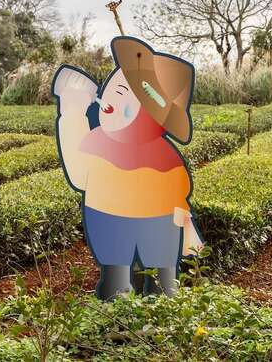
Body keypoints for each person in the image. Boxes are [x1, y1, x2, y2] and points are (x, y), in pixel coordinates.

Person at [51, 35, 203, 299]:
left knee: (162, 282)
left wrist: (186, 228)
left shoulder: (165, 158)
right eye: (114, 88)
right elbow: (79, 174)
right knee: (116, 281)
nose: (111, 99)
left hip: (156, 223)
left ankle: (160, 318)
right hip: (110, 220)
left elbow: (180, 191)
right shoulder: (98, 142)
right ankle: (121, 320)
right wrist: (72, 113)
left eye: (125, 96)